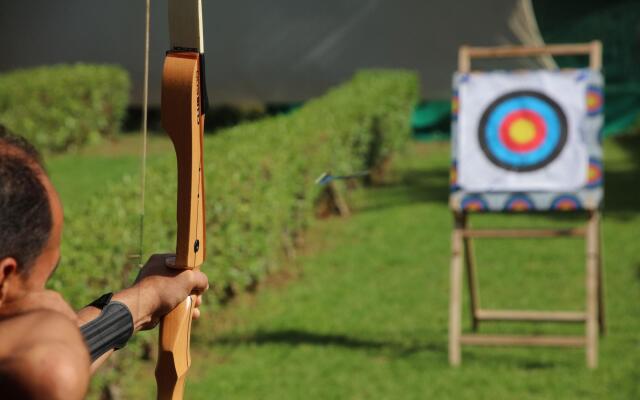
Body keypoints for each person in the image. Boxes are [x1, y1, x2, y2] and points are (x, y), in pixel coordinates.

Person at [0, 127, 209, 399]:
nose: (50, 299)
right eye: (42, 283)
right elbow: (50, 369)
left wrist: (146, 299)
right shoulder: (49, 365)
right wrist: (55, 326)